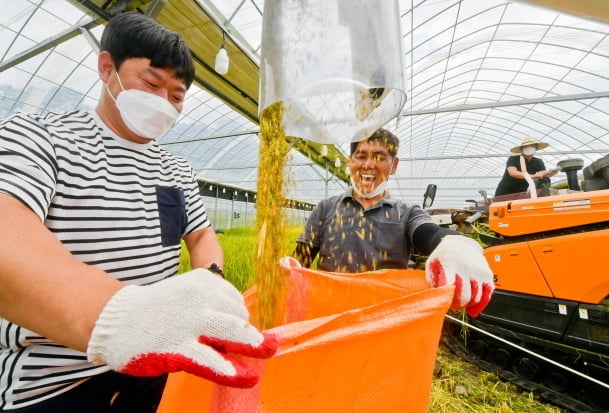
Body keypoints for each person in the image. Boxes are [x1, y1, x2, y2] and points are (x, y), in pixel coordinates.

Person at [0, 12, 276, 413]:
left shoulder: (177, 169)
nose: (164, 103)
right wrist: (118, 318)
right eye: (152, 83)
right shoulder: (39, 135)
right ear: (107, 67)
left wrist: (211, 280)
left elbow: (200, 235)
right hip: (54, 386)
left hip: (152, 367)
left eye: (177, 96)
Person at [293, 128, 494, 318]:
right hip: (329, 315)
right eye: (361, 156)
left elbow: (428, 233)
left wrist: (454, 243)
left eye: (379, 157)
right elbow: (302, 257)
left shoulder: (407, 213)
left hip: (386, 318)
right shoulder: (326, 208)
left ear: (394, 165)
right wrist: (290, 270)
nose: (368, 165)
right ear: (350, 161)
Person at [494, 136, 558, 197]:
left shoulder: (538, 162)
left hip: (522, 192)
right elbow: (513, 173)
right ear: (522, 149)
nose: (529, 148)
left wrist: (547, 174)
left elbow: (542, 174)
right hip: (505, 191)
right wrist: (534, 176)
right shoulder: (513, 159)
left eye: (532, 146)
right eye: (526, 146)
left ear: (536, 148)